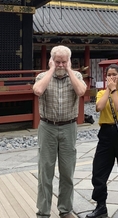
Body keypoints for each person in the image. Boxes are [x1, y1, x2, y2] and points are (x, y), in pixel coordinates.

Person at [33, 45, 87, 218]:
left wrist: (69, 70)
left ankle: (65, 209)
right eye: (58, 61)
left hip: (69, 127)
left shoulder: (76, 76)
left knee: (67, 171)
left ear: (69, 61)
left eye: (64, 61)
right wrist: (51, 70)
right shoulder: (42, 77)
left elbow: (81, 91)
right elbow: (38, 90)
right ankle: (43, 211)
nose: (61, 65)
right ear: (51, 60)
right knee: (45, 171)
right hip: (47, 126)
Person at [86, 64, 118, 218]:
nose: (112, 77)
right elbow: (99, 107)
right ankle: (101, 205)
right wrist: (108, 90)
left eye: (115, 74)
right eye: (109, 74)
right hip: (106, 132)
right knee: (98, 170)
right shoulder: (101, 93)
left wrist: (114, 90)